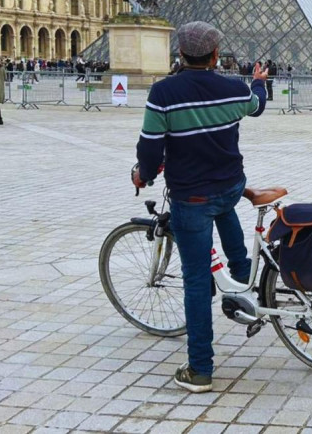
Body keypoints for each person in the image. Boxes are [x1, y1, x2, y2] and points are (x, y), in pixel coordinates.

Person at [133, 21, 267, 393]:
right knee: (227, 220)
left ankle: (201, 369)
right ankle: (246, 291)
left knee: (195, 280)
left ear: (179, 54)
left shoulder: (163, 93)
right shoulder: (232, 88)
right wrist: (258, 81)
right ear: (214, 55)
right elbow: (256, 108)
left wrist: (143, 174)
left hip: (191, 195)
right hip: (230, 185)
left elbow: (149, 149)